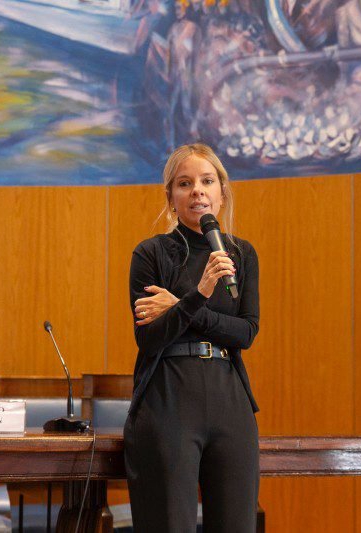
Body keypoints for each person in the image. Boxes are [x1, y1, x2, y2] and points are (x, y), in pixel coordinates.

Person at [123, 143, 260, 532]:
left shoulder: (240, 254)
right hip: (169, 399)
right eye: (185, 183)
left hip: (230, 399)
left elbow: (245, 332)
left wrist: (180, 307)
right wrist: (198, 294)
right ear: (171, 197)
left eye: (207, 181)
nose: (197, 190)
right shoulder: (151, 254)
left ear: (222, 192)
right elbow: (150, 339)